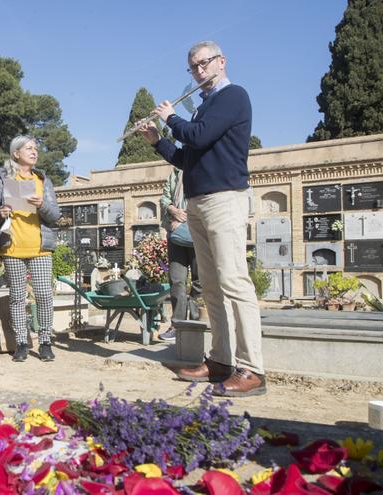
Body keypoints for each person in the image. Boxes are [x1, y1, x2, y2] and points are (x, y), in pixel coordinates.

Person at [137, 41, 265, 397]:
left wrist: (169, 117)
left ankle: (252, 368)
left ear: (222, 62)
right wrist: (155, 140)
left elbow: (200, 135)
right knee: (211, 286)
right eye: (193, 67)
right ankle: (221, 361)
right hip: (199, 200)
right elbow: (186, 160)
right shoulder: (204, 108)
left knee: (235, 281)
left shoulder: (233, 96)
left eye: (204, 63)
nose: (199, 71)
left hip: (225, 198)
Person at [0, 135, 61, 363]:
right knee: (17, 298)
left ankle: (46, 342)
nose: (34, 151)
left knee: (43, 296)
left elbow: (55, 215)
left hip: (40, 247)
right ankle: (21, 343)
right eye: (29, 148)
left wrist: (42, 205)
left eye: (36, 148)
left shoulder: (42, 180)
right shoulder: (1, 182)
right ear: (16, 153)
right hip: (12, 248)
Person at [157, 167, 201, 341]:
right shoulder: (175, 173)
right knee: (176, 280)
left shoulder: (203, 166)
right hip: (176, 234)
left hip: (198, 232)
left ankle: (196, 323)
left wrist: (186, 219)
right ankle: (177, 325)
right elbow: (164, 198)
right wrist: (173, 211)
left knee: (200, 281)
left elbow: (207, 200)